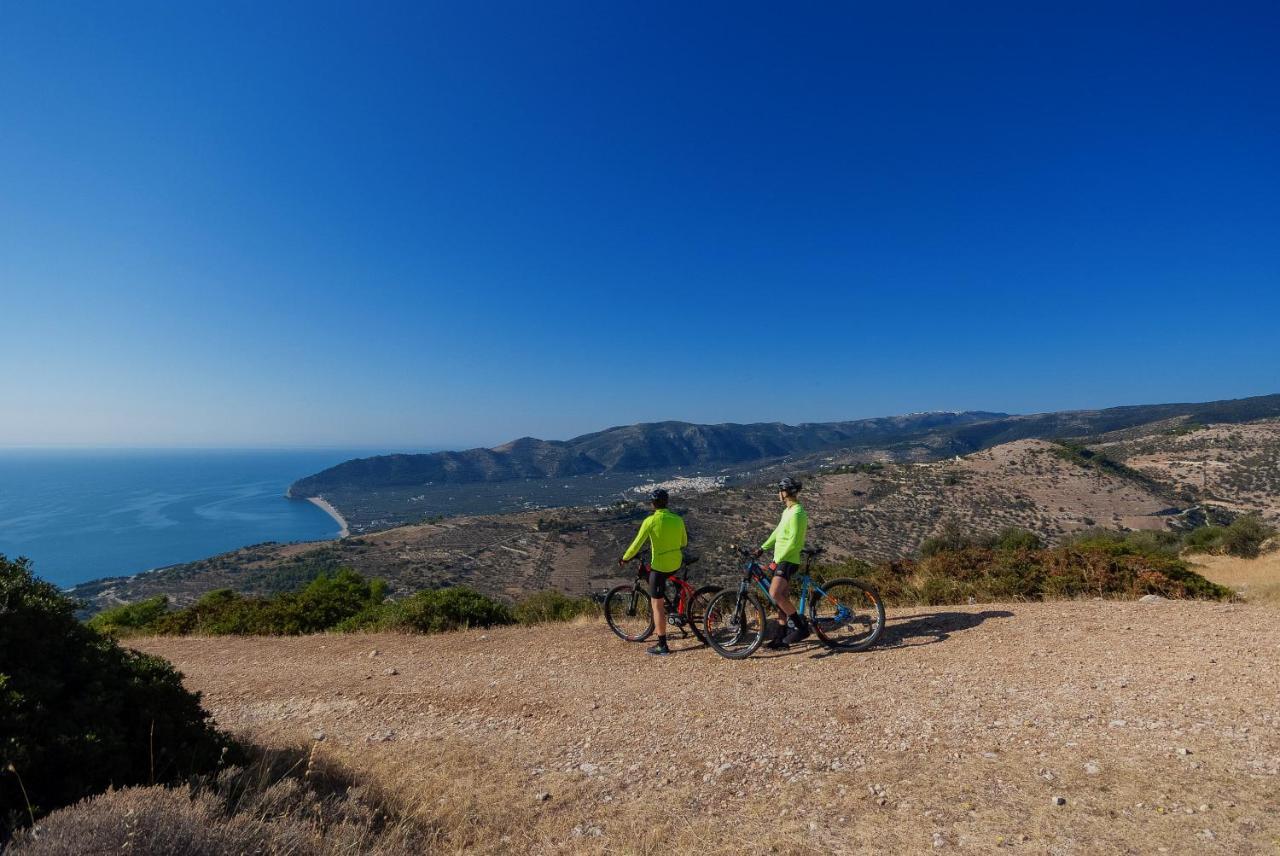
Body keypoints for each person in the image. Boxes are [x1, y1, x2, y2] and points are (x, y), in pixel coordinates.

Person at [619, 488, 687, 656]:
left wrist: (625, 558)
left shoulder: (650, 521)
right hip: (676, 562)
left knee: (657, 604)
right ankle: (678, 606)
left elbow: (636, 544)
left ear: (653, 504)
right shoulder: (678, 519)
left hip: (660, 566)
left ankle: (662, 645)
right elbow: (683, 542)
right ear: (667, 502)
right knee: (669, 580)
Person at [755, 477, 810, 647]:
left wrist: (776, 561)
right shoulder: (787, 511)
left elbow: (794, 542)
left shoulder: (797, 512)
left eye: (780, 490)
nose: (779, 494)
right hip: (782, 559)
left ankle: (801, 628)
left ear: (785, 492)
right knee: (781, 598)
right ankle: (780, 638)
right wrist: (762, 548)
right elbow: (778, 532)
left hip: (788, 560)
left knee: (774, 594)